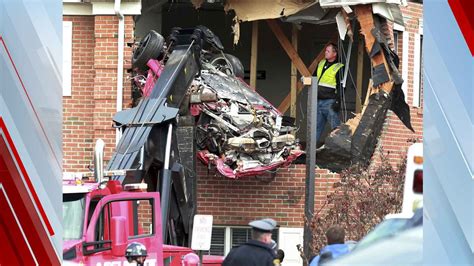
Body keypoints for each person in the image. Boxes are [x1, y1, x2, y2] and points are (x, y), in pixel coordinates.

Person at [316, 43, 345, 143]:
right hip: (318, 100)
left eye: (328, 51)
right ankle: (309, 152)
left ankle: (340, 150)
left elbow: (341, 86)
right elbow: (314, 78)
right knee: (316, 127)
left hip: (330, 102)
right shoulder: (321, 63)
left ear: (334, 53)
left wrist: (338, 100)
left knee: (335, 127)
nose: (325, 52)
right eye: (325, 50)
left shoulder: (339, 67)